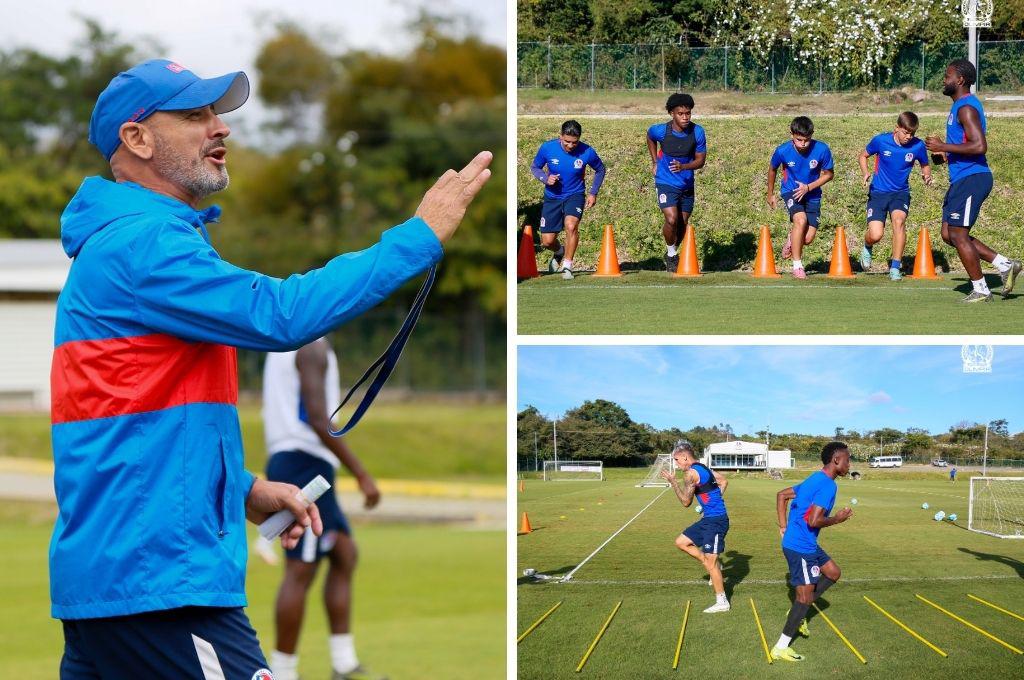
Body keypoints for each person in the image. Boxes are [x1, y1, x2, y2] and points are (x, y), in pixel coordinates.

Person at [50, 59, 490, 679]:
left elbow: (131, 418)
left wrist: (245, 490)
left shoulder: (130, 239)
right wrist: (419, 237)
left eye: (217, 114)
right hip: (160, 582)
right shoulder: (142, 242)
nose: (219, 128)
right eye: (194, 115)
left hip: (120, 580)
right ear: (136, 139)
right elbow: (281, 314)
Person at [263, 339, 384, 680]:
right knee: (300, 569)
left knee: (344, 552)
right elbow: (317, 417)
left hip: (294, 458)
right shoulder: (312, 346)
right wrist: (361, 474)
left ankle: (343, 663)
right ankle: (283, 673)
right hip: (305, 462)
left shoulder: (283, 341)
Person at [925, 59, 1021, 302]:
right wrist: (944, 154)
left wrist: (942, 145)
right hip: (961, 177)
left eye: (947, 76)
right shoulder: (958, 107)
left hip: (973, 177)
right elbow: (965, 144)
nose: (944, 80)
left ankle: (981, 290)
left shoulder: (966, 108)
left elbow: (980, 146)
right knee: (949, 235)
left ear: (960, 80)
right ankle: (1005, 264)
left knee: (958, 234)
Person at [770, 442, 853, 662]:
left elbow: (781, 495)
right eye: (847, 459)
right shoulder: (828, 485)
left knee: (833, 573)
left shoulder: (815, 478)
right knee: (805, 598)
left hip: (801, 542)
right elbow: (814, 520)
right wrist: (838, 518)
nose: (849, 463)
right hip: (801, 547)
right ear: (836, 460)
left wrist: (782, 525)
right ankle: (781, 647)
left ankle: (799, 611)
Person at [858, 112, 932, 280]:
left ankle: (895, 267)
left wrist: (926, 174)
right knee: (876, 234)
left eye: (912, 133)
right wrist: (865, 172)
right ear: (897, 128)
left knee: (899, 222)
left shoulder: (918, 146)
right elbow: (863, 156)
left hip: (900, 193)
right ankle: (867, 246)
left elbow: (925, 165)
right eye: (905, 132)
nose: (909, 137)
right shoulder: (881, 141)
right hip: (878, 192)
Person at [660, 442, 731, 613]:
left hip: (716, 522)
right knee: (681, 542)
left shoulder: (690, 474)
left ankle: (722, 602)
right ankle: (711, 564)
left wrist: (672, 482)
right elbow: (723, 481)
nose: (676, 464)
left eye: (677, 460)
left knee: (711, 563)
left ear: (685, 456)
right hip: (708, 519)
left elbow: (686, 501)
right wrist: (710, 503)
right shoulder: (703, 467)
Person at [530, 120, 606, 279]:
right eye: (567, 142)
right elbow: (535, 167)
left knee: (571, 226)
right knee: (547, 241)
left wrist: (593, 193)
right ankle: (560, 251)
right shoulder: (547, 148)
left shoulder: (587, 152)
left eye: (574, 142)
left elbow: (600, 169)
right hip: (552, 197)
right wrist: (545, 178)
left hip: (575, 195)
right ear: (560, 137)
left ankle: (567, 266)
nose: (571, 146)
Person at [646, 93, 707, 272]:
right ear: (671, 113)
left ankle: (672, 251)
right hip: (665, 181)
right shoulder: (660, 131)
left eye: (688, 113)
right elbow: (650, 137)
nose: (685, 117)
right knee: (671, 219)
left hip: (687, 185)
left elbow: (701, 160)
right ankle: (671, 253)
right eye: (681, 113)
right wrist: (654, 161)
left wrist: (684, 166)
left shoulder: (697, 132)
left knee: (682, 224)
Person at [767, 116, 835, 279]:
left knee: (808, 238)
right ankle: (797, 266)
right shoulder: (782, 151)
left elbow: (829, 174)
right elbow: (772, 169)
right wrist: (770, 193)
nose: (803, 144)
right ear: (791, 134)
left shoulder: (822, 149)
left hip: (812, 193)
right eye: (799, 140)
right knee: (800, 220)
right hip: (791, 190)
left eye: (807, 140)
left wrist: (809, 187)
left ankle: (792, 237)